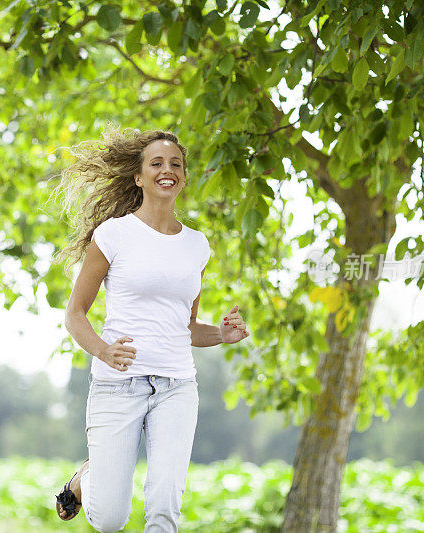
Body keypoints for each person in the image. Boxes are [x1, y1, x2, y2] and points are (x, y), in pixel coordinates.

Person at [53, 128, 250, 532]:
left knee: (163, 508)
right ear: (139, 177)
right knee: (110, 519)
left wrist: (223, 335)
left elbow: (188, 327)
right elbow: (75, 312)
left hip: (177, 387)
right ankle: (85, 479)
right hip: (117, 384)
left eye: (175, 164)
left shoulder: (197, 245)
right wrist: (104, 350)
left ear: (183, 177)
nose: (167, 170)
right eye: (156, 163)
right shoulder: (114, 235)